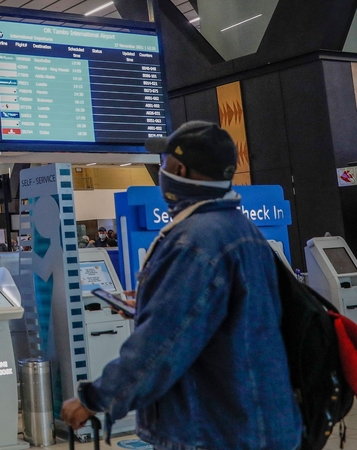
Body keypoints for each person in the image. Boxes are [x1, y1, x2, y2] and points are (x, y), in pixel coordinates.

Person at [60, 121, 301, 450]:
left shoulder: (194, 241)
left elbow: (162, 344)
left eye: (164, 162)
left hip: (214, 430)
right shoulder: (243, 231)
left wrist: (95, 398)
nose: (161, 170)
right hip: (253, 419)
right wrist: (150, 301)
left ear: (179, 169)